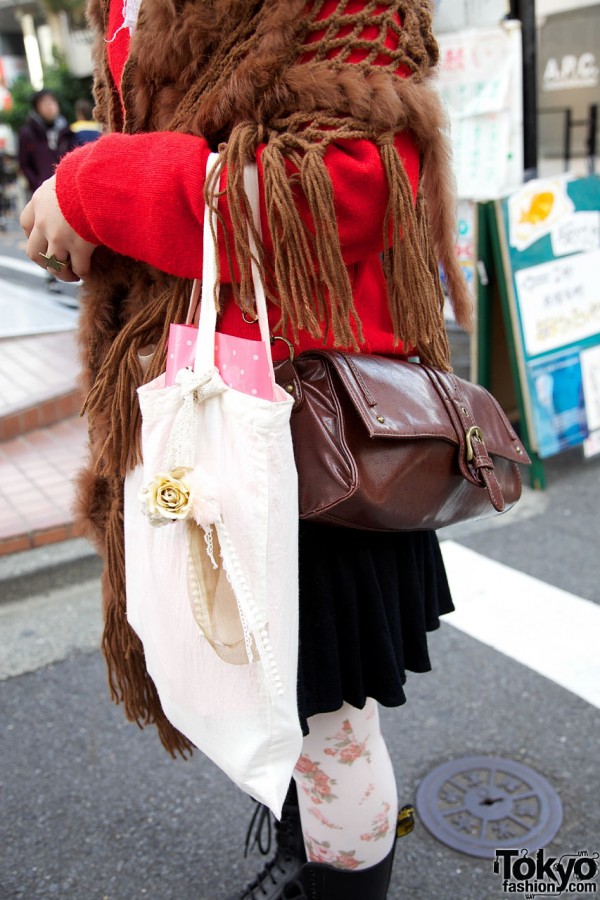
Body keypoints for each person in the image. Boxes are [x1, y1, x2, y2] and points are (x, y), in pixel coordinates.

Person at [20, 2, 472, 897]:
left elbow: (350, 182)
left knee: (331, 730)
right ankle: (305, 858)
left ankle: (332, 874)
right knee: (285, 715)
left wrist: (93, 188)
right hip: (202, 407)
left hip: (307, 436)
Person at [17, 89, 71, 194]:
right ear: (36, 108)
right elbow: (24, 164)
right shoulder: (28, 133)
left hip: (66, 190)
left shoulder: (66, 131)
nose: (49, 107)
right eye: (44, 103)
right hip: (42, 191)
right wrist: (36, 185)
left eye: (52, 102)